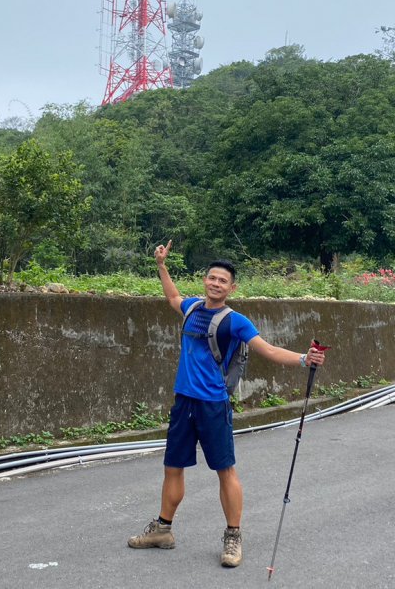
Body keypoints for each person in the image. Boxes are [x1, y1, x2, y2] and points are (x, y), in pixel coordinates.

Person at [127, 240, 327, 568]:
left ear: (231, 288)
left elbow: (269, 350)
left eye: (222, 281)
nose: (215, 283)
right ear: (204, 280)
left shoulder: (235, 321)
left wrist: (305, 359)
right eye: (211, 278)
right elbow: (173, 298)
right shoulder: (191, 308)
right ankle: (162, 529)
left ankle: (233, 536)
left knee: (225, 471)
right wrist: (161, 266)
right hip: (184, 403)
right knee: (172, 467)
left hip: (214, 405)